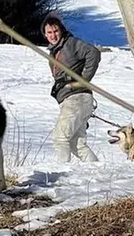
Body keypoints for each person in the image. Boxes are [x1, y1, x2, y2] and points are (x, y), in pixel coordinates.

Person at [43, 12, 100, 163]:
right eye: (49, 32)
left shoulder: (71, 43)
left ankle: (61, 176)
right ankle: (97, 173)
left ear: (61, 30)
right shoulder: (54, 52)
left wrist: (83, 80)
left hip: (76, 97)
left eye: (56, 31)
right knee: (77, 144)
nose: (53, 35)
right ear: (45, 34)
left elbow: (93, 53)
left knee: (60, 138)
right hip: (74, 100)